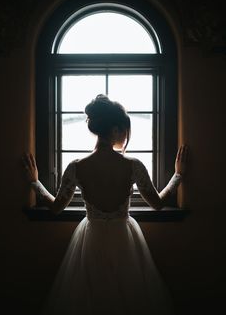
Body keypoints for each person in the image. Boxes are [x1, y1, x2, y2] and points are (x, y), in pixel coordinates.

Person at [22, 94, 188, 315]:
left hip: (91, 237)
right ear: (117, 130)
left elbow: (56, 208)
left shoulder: (76, 167)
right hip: (124, 236)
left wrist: (35, 182)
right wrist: (178, 176)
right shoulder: (133, 165)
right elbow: (157, 203)